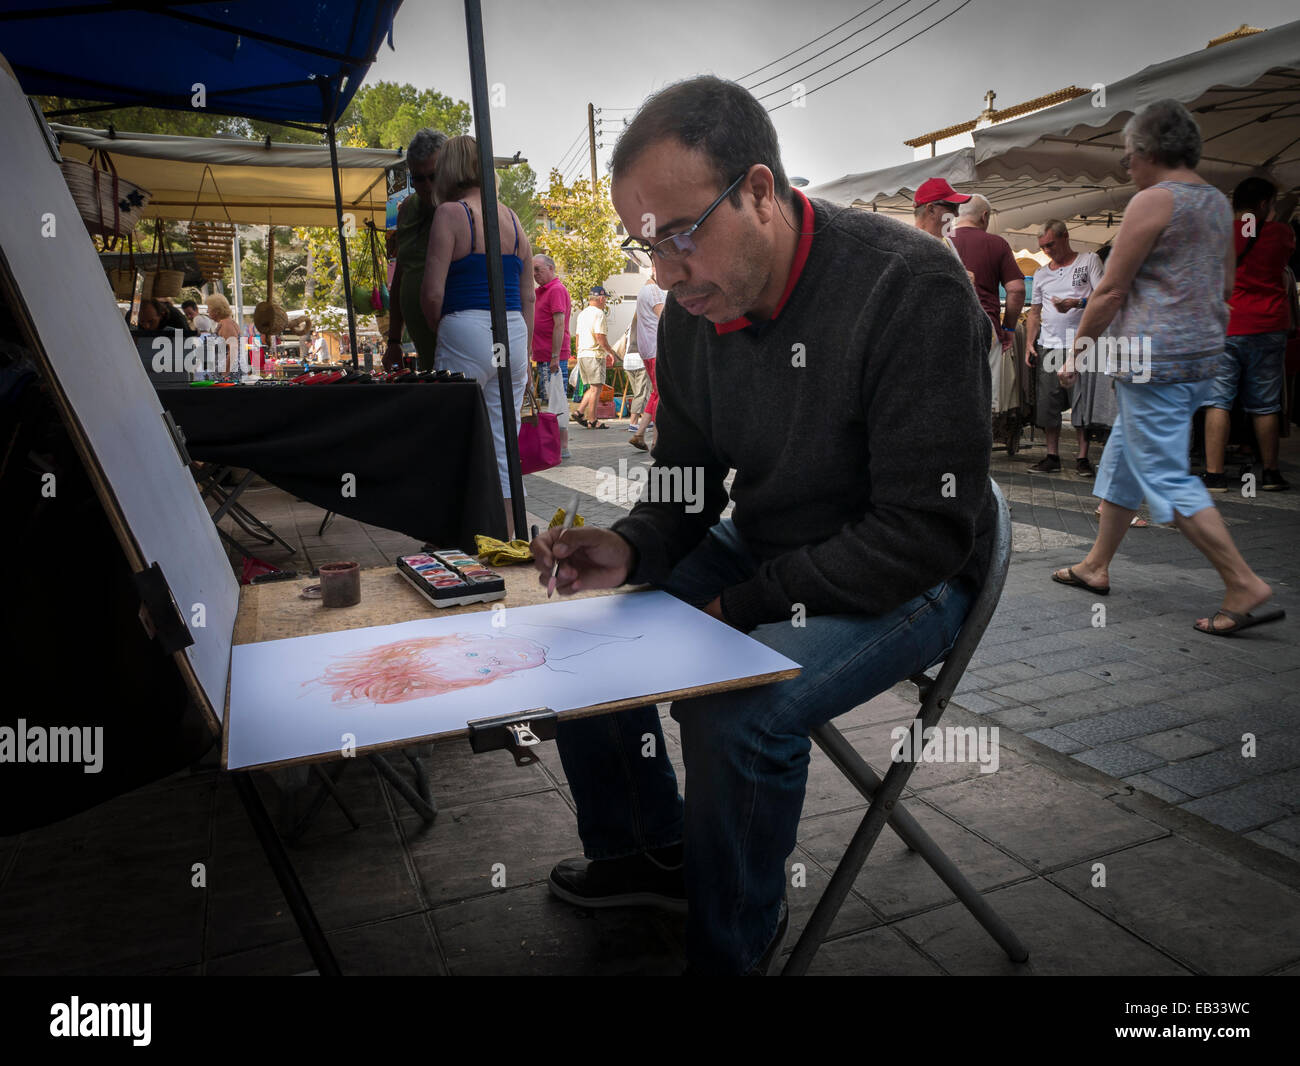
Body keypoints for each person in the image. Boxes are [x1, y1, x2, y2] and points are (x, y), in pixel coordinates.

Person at [528, 75, 994, 975]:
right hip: (774, 545)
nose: (662, 272)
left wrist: (740, 607)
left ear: (759, 192)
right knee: (585, 632)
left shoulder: (909, 287)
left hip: (912, 571)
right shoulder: (698, 311)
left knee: (737, 713)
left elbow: (921, 533)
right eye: (644, 243)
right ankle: (647, 855)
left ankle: (731, 948)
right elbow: (691, 479)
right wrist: (631, 546)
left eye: (678, 235)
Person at [1050, 99, 1283, 638]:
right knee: (1127, 456)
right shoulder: (1217, 208)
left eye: (1129, 155)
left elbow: (1110, 289)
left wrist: (1080, 350)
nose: (1127, 166)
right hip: (1201, 352)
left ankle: (1243, 582)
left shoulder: (1153, 201)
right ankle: (1096, 564)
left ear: (1149, 151)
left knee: (1164, 474)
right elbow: (1224, 288)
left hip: (1153, 359)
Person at [421, 134, 534, 539]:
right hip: (514, 332)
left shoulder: (451, 214)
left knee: (453, 438)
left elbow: (432, 292)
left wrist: (444, 329)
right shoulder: (512, 219)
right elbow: (528, 293)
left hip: (465, 325)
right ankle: (511, 533)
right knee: (505, 447)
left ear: (449, 169)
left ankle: (457, 534)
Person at [1201, 176, 1294, 492]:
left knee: (1218, 401)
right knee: (1266, 404)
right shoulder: (1281, 232)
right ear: (1266, 204)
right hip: (1269, 325)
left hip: (1226, 326)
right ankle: (1269, 473)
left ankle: (1214, 475)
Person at [1024, 220, 1108, 475]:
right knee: (1048, 402)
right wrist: (1029, 341)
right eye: (1043, 247)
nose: (1047, 250)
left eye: (1050, 244)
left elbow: (1103, 293)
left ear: (1065, 237)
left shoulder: (1089, 260)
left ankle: (1082, 457)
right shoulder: (1040, 273)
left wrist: (1077, 302)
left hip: (1081, 344)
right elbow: (1034, 312)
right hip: (1049, 343)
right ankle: (1053, 455)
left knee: (1080, 401)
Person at [951, 194, 1025, 417]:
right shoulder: (996, 244)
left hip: (946, 324)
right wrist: (1009, 328)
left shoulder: (942, 241)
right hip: (985, 324)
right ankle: (980, 449)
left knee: (949, 392)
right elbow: (1017, 290)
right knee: (983, 399)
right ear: (984, 216)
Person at [387, 128, 448, 372]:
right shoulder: (406, 211)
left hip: (455, 344)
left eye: (433, 176)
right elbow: (400, 279)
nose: (426, 186)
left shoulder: (461, 209)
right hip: (423, 348)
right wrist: (393, 341)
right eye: (418, 179)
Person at [628, 267, 665, 450]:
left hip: (648, 349)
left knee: (657, 392)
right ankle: (655, 440)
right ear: (654, 270)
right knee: (661, 394)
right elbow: (664, 318)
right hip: (657, 348)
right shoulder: (654, 291)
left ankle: (641, 434)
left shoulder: (644, 290)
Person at [573, 286, 618, 430]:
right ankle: (592, 420)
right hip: (594, 355)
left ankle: (579, 412)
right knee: (596, 388)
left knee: (593, 387)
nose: (605, 302)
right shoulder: (599, 313)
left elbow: (578, 337)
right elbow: (600, 337)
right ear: (601, 298)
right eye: (605, 299)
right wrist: (611, 352)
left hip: (583, 354)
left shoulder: (583, 314)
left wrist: (579, 352)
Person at [531, 254, 571, 404]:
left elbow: (559, 324)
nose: (534, 274)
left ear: (550, 268)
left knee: (555, 403)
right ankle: (554, 428)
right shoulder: (541, 291)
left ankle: (558, 429)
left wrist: (555, 356)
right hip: (544, 356)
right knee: (550, 401)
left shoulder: (556, 289)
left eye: (537, 269)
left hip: (552, 357)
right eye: (532, 270)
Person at [204, 292, 241, 373]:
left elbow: (233, 350)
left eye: (209, 308)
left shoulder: (226, 324)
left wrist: (225, 374)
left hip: (227, 377)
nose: (207, 311)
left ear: (216, 310)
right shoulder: (225, 323)